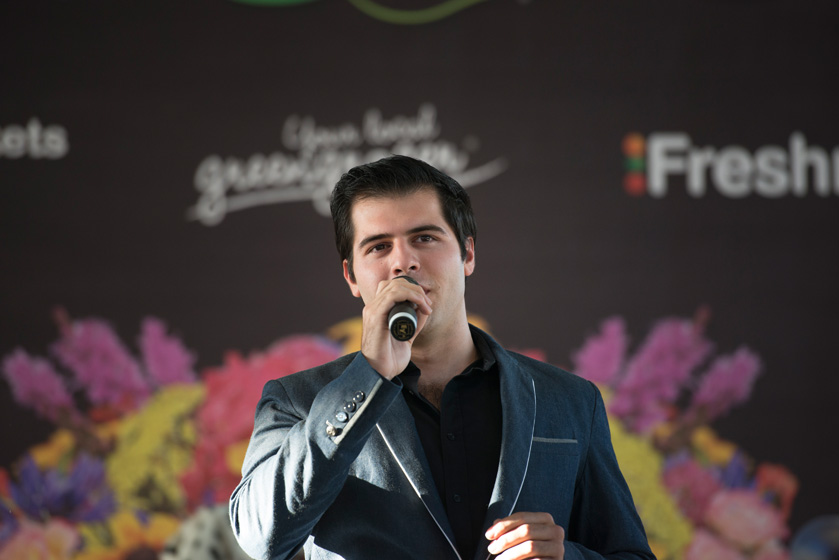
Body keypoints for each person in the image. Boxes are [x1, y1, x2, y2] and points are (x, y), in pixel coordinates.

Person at [229, 155, 655, 560]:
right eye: (378, 247)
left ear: (467, 254)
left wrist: (567, 557)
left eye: (424, 238)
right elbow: (260, 537)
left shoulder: (570, 401)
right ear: (351, 276)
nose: (403, 262)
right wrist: (369, 375)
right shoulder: (296, 400)